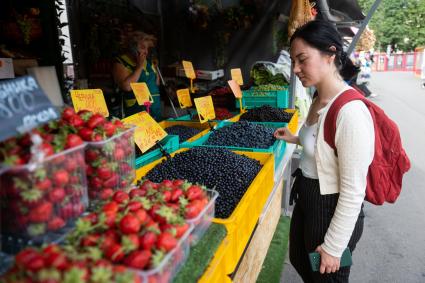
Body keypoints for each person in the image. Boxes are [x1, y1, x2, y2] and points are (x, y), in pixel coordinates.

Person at [274, 20, 374, 282]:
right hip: (308, 196)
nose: (295, 69)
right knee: (301, 259)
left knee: (328, 277)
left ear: (330, 54)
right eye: (294, 61)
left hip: (330, 209)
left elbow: (353, 192)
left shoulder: (350, 112)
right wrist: (295, 138)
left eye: (302, 59)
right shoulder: (319, 99)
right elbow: (322, 145)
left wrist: (334, 246)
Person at [112, 31, 161, 119]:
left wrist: (156, 69)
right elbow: (126, 86)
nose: (146, 52)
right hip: (136, 110)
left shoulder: (149, 62)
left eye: (147, 49)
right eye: (142, 48)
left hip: (154, 108)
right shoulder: (120, 62)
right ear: (132, 48)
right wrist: (139, 67)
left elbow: (156, 83)